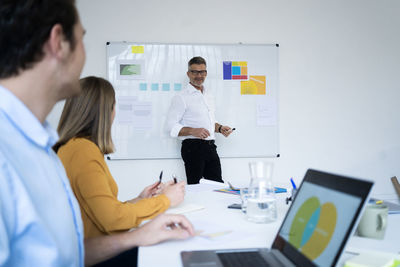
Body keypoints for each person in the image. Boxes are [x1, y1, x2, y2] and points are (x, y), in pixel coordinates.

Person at [0, 1, 194, 266]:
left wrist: (140, 225)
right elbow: (110, 220)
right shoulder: (67, 150)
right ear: (58, 42)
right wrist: (162, 203)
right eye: (82, 39)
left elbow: (71, 251)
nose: (84, 54)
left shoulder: (43, 148)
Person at [53, 76, 186, 238]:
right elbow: (113, 220)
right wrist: (166, 199)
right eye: (114, 105)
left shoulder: (72, 147)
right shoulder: (83, 151)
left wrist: (140, 199)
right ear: (105, 111)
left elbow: (103, 211)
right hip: (99, 252)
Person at [165, 56, 234, 184]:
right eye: (194, 72)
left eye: (202, 72)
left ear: (206, 73)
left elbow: (209, 122)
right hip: (193, 148)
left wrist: (219, 128)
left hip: (210, 147)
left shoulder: (208, 94)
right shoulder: (181, 97)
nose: (199, 75)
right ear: (188, 73)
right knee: (196, 187)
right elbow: (170, 127)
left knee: (217, 185)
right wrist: (193, 131)